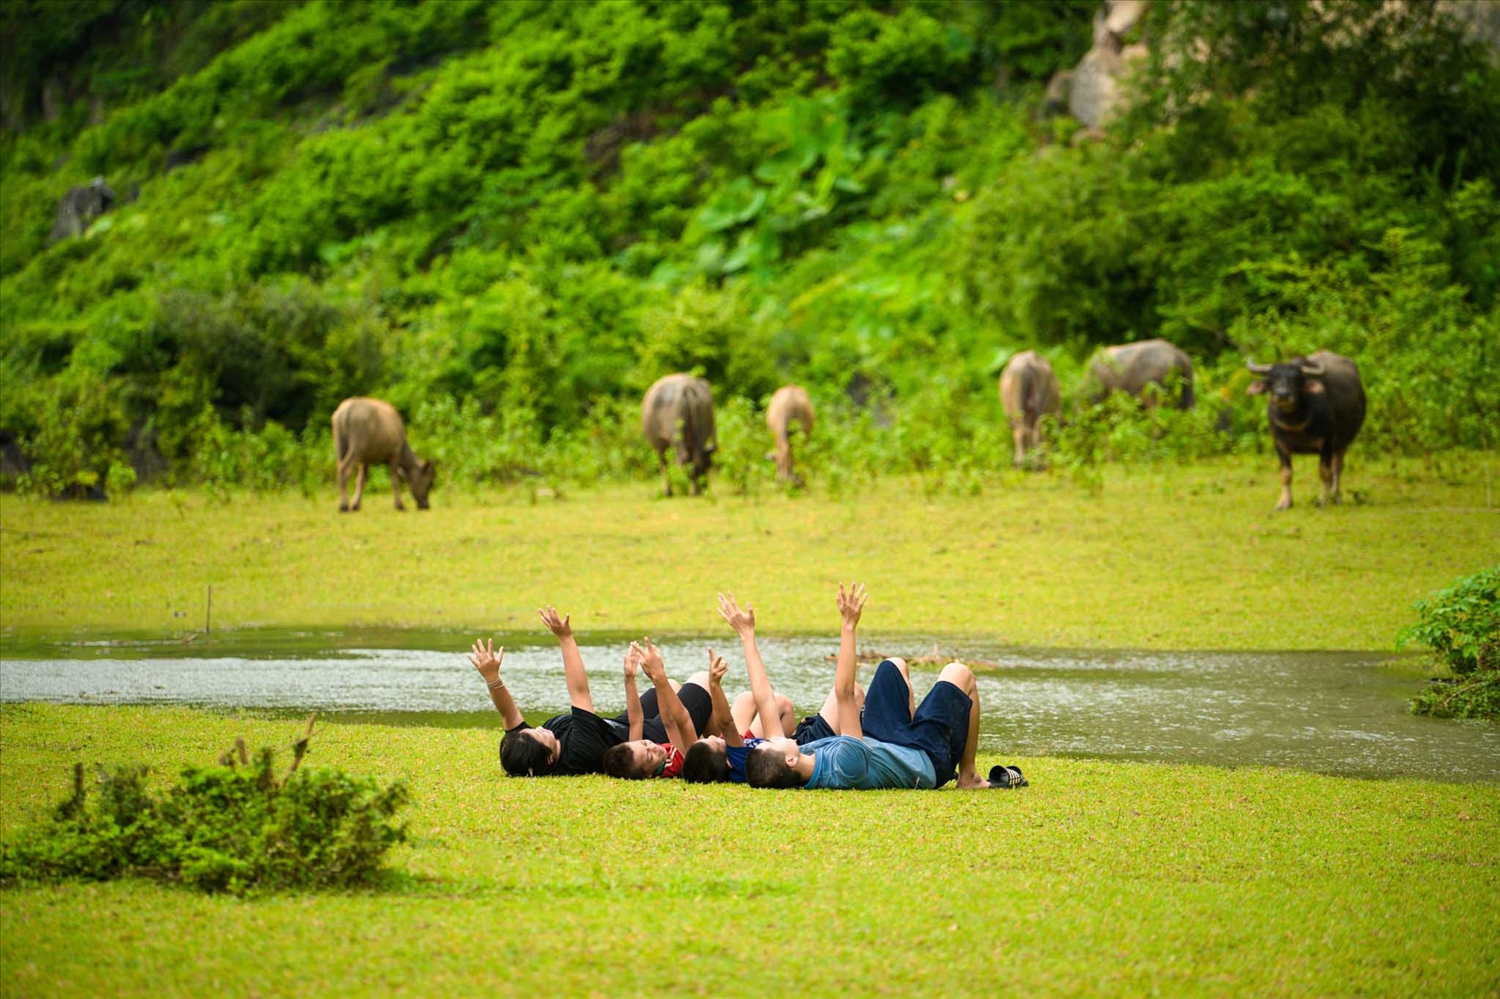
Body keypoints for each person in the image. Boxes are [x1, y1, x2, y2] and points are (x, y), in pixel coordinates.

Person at [745, 582, 1018, 791]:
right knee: (959, 673)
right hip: (926, 760)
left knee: (892, 666)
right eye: (776, 744)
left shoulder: (799, 759)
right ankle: (968, 776)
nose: (778, 737)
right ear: (789, 760)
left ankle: (911, 729)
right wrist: (848, 625)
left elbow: (766, 702)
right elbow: (845, 693)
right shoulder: (845, 765)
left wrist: (747, 635)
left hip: (886, 743)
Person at [468, 607, 716, 777]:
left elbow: (509, 717)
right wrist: (566, 638)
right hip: (651, 737)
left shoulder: (529, 747)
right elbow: (580, 691)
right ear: (549, 760)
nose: (542, 729)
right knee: (702, 681)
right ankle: (719, 752)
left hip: (624, 723)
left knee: (672, 685)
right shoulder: (579, 750)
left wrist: (492, 677)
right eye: (541, 735)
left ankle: (708, 745)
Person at [682, 591, 864, 784]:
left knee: (769, 702)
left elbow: (764, 701)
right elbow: (727, 723)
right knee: (851, 693)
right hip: (805, 748)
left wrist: (747, 635)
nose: (715, 736)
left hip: (786, 745)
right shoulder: (738, 759)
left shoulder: (741, 760)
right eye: (715, 742)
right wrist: (714, 685)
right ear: (728, 762)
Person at [601, 641, 727, 779]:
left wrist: (629, 679)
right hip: (715, 752)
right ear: (648, 775)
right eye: (650, 756)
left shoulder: (639, 756)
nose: (653, 747)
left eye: (644, 743)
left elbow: (636, 720)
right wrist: (658, 676)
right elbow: (675, 722)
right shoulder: (682, 762)